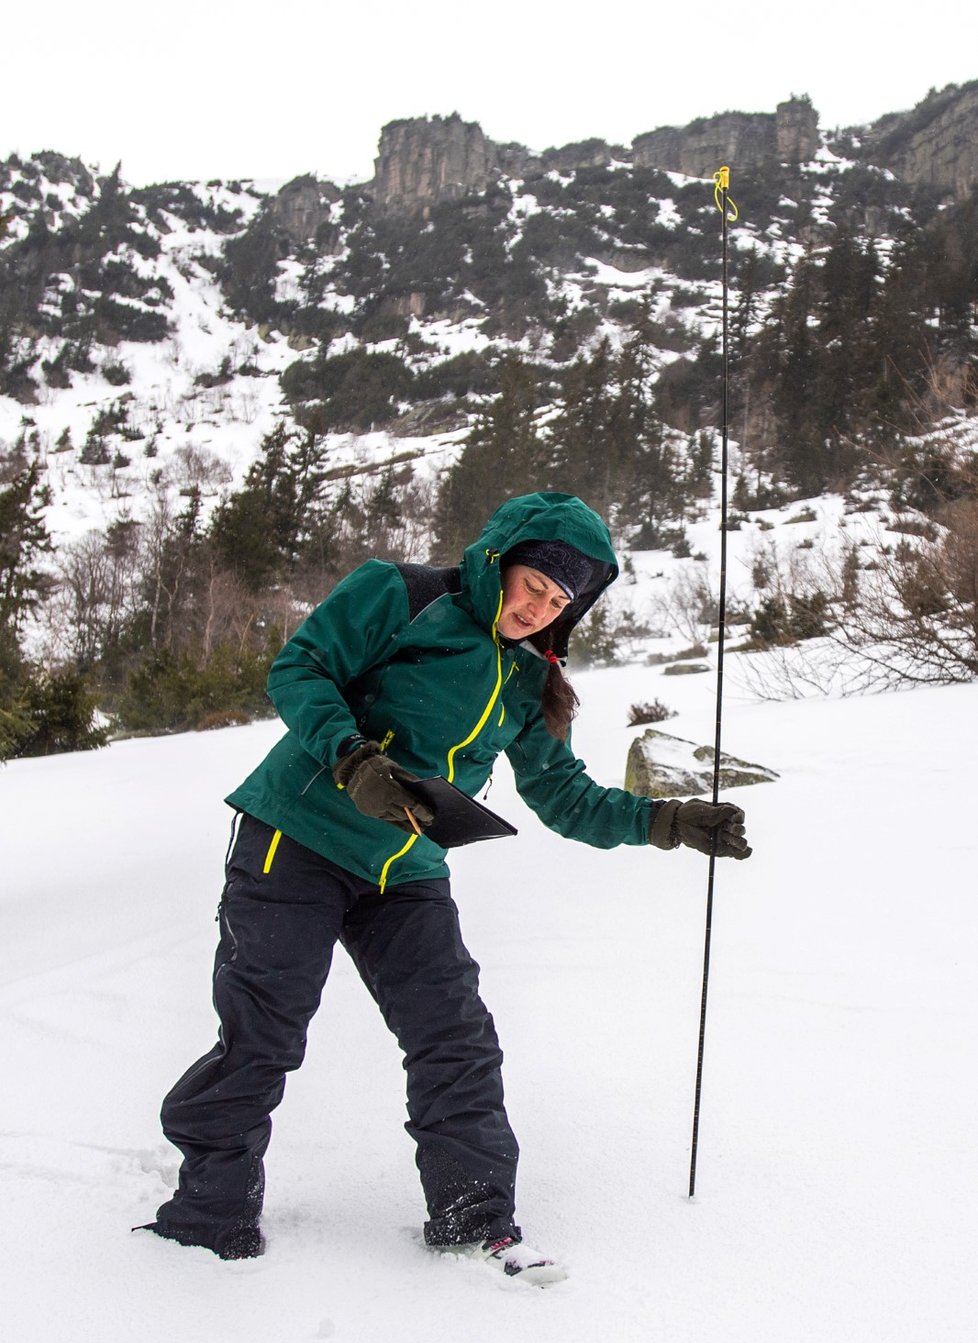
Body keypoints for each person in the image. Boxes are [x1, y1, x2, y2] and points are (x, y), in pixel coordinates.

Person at [142, 491, 750, 1284]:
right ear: (500, 559)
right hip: (296, 838)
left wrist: (666, 820)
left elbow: (565, 797)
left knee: (455, 1039)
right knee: (264, 1030)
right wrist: (354, 758)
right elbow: (300, 669)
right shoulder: (400, 595)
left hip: (408, 870)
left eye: (561, 601)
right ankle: (207, 1216)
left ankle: (475, 1217)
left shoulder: (530, 683)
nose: (539, 608)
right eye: (534, 584)